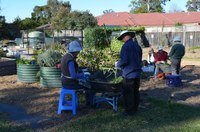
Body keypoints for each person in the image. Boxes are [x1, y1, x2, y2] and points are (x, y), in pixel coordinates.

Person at [116, 30, 142, 116]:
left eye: (122, 38)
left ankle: (129, 111)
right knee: (135, 92)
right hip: (137, 73)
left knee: (128, 93)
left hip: (129, 74)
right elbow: (139, 59)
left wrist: (117, 64)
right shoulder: (137, 46)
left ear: (126, 36)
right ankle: (135, 108)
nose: (122, 39)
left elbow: (124, 61)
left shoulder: (125, 46)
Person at [61, 41, 93, 106]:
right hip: (70, 84)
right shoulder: (70, 60)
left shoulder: (65, 56)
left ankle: (87, 102)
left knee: (85, 83)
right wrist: (84, 74)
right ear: (75, 51)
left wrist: (82, 70)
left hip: (64, 82)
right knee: (89, 86)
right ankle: (90, 104)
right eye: (78, 51)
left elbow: (69, 70)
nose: (78, 53)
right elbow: (73, 75)